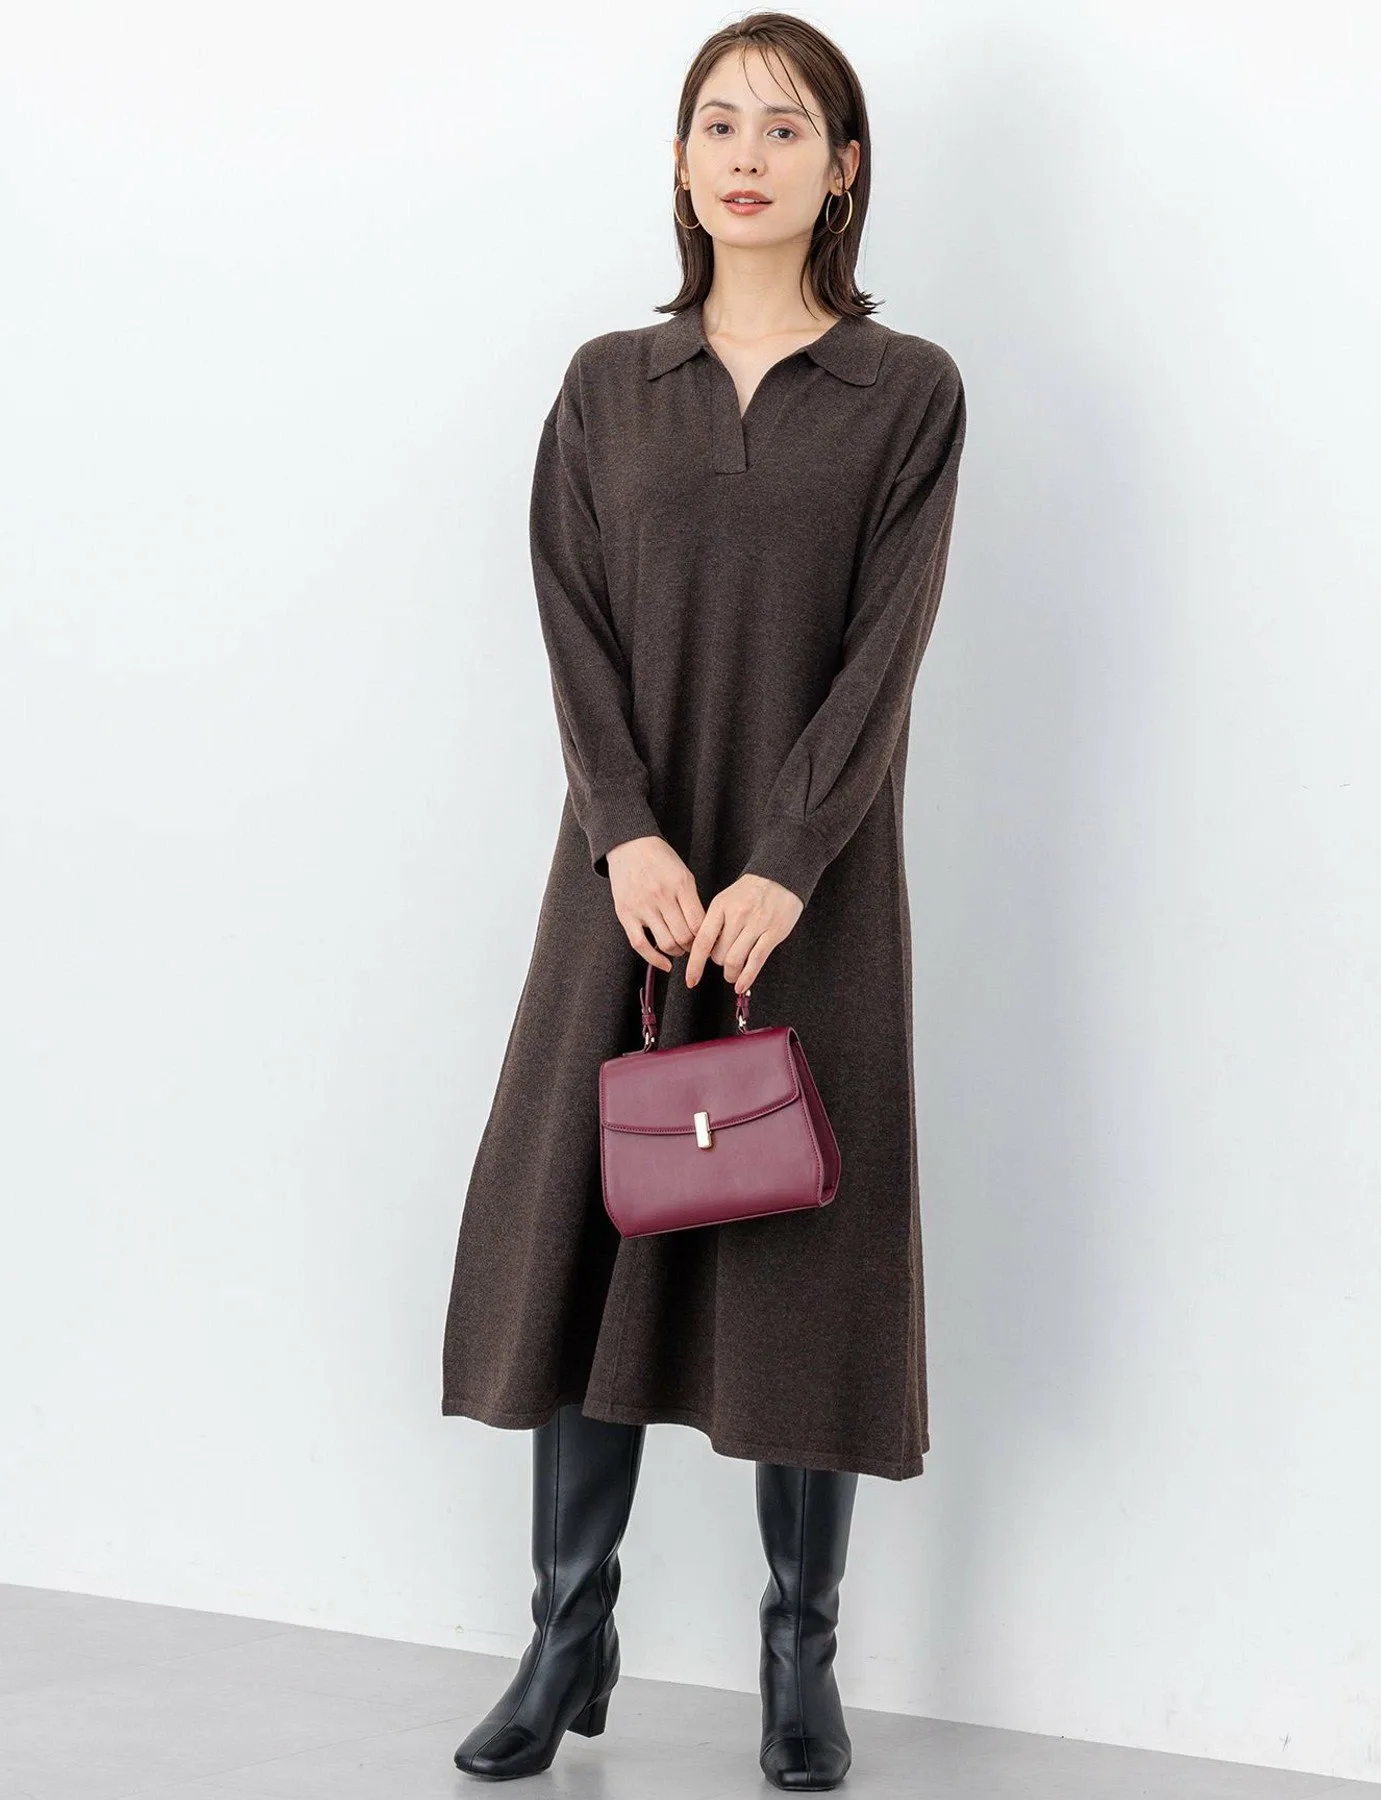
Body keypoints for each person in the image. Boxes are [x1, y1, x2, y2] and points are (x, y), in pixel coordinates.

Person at [443, 11, 968, 1789]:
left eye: (788, 125)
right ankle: (565, 1630)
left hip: (814, 899)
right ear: (680, 162)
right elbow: (570, 618)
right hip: (633, 890)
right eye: (720, 123)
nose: (750, 152)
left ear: (843, 168)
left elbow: (886, 654)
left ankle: (798, 1655)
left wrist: (783, 861)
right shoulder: (609, 383)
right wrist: (629, 835)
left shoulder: (907, 393)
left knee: (801, 1255)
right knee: (589, 1232)